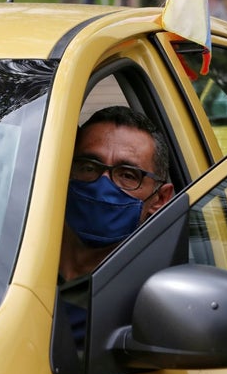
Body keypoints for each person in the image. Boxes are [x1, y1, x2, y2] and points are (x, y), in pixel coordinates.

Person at [58, 106, 175, 350]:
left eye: (128, 175)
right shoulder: (7, 259)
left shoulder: (150, 303)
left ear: (160, 199)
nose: (103, 185)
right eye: (89, 166)